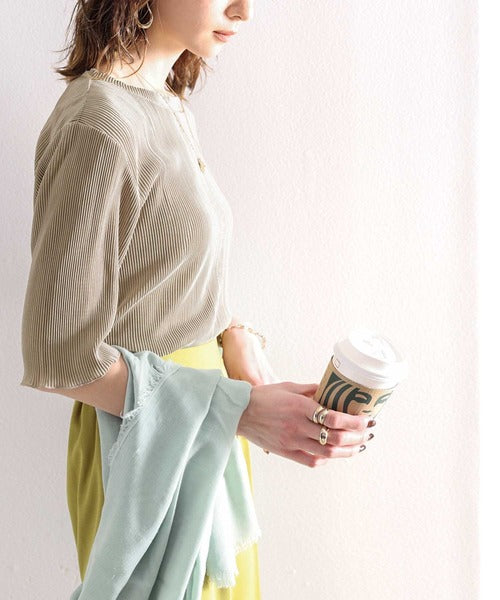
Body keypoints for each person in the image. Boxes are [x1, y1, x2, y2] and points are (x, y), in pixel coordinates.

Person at [19, 1, 376, 597]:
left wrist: (233, 338)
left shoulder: (165, 105)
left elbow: (161, 278)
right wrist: (235, 410)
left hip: (198, 427)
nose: (245, 10)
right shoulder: (98, 122)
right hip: (144, 450)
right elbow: (58, 354)